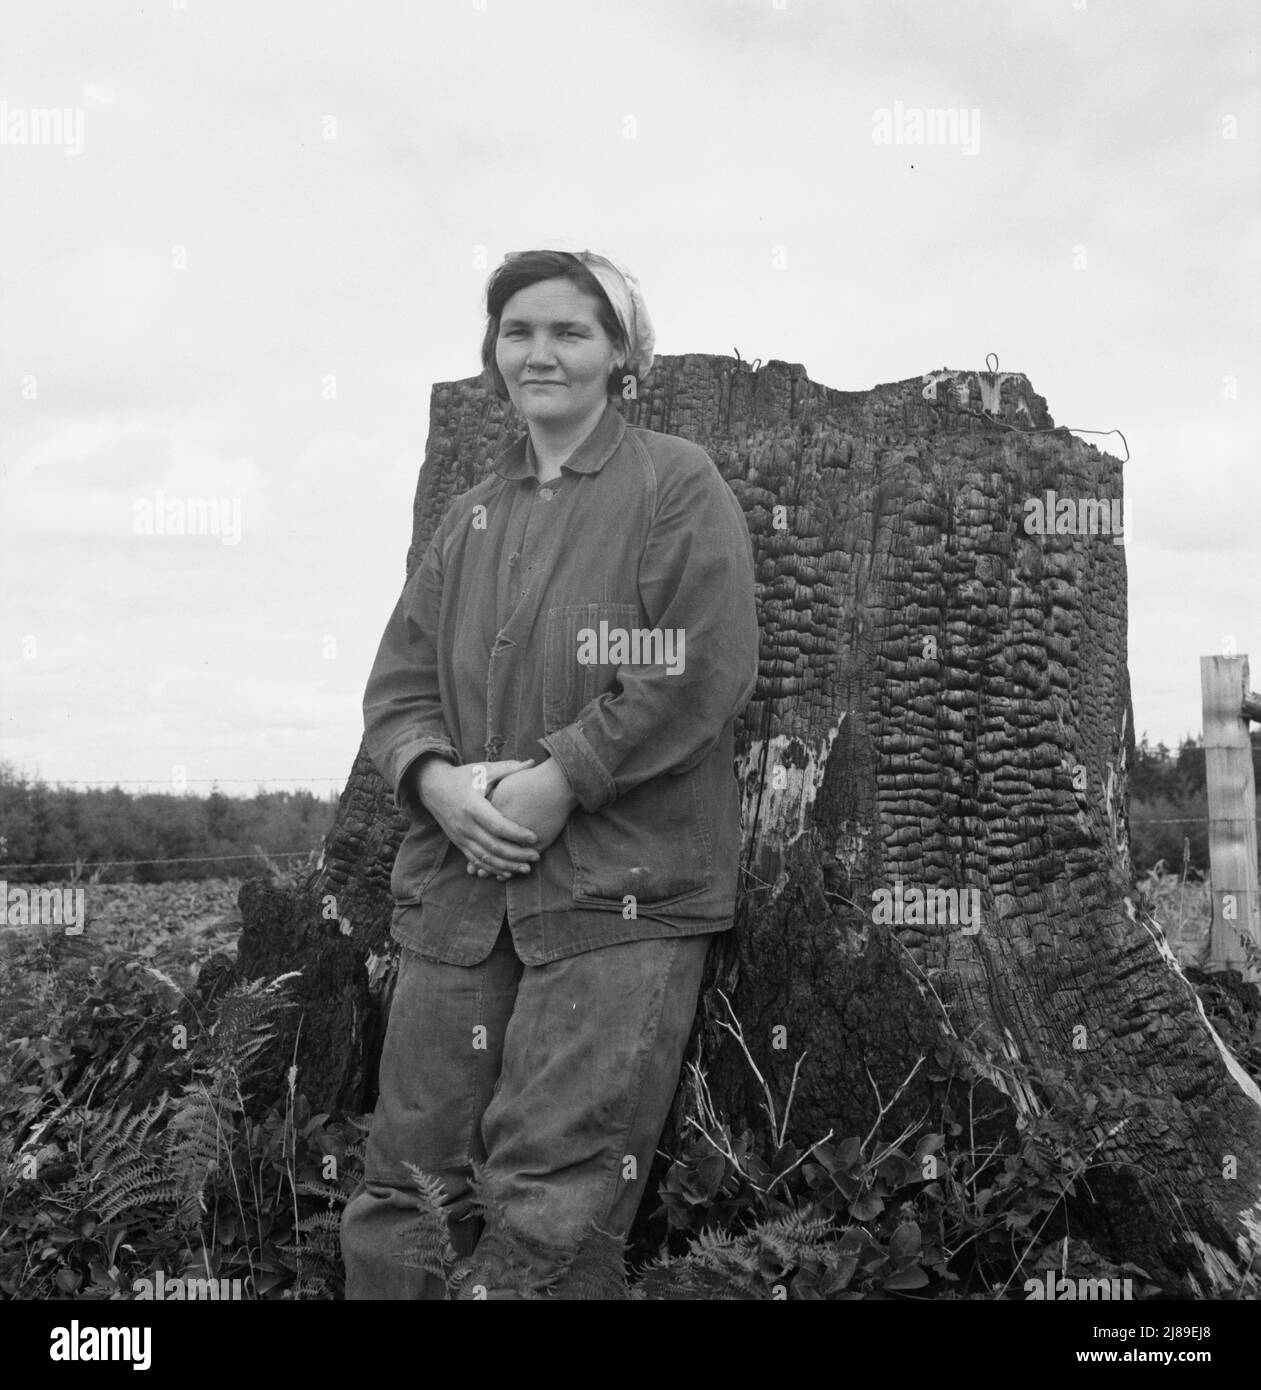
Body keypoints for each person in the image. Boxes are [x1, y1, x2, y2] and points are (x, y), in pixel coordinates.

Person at [340, 247, 759, 1298]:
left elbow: (693, 657)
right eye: (518, 330)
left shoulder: (674, 482)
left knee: (553, 1198)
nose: (541, 352)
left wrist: (565, 773)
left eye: (571, 331)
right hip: (459, 892)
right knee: (405, 1186)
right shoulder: (470, 516)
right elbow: (398, 687)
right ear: (493, 352)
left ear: (622, 354)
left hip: (618, 894)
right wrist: (434, 780)